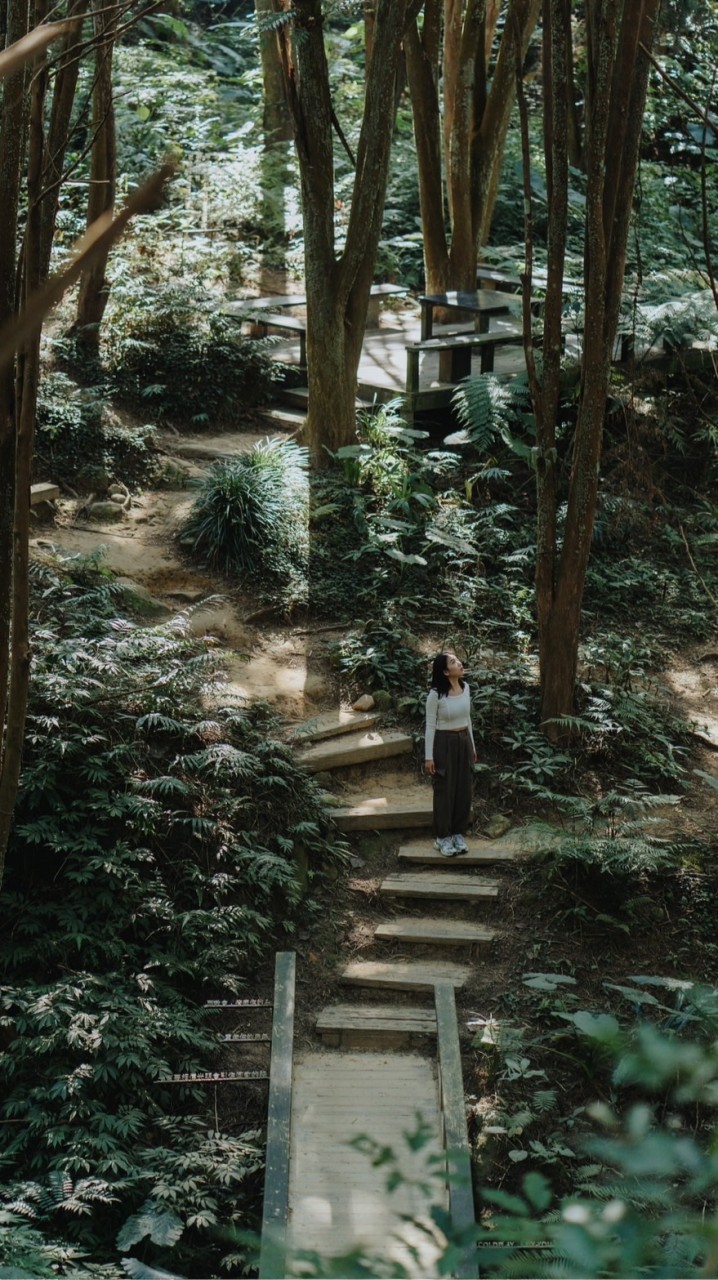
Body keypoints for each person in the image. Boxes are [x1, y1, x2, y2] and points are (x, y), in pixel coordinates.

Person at [424, 651, 477, 857]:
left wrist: (472, 746)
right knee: (444, 789)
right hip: (443, 742)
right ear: (446, 671)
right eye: (453, 662)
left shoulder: (466, 688)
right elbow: (430, 726)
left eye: (457, 660)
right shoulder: (435, 694)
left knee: (464, 787)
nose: (459, 663)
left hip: (463, 740)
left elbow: (468, 719)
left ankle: (457, 833)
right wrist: (429, 756)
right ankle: (442, 837)